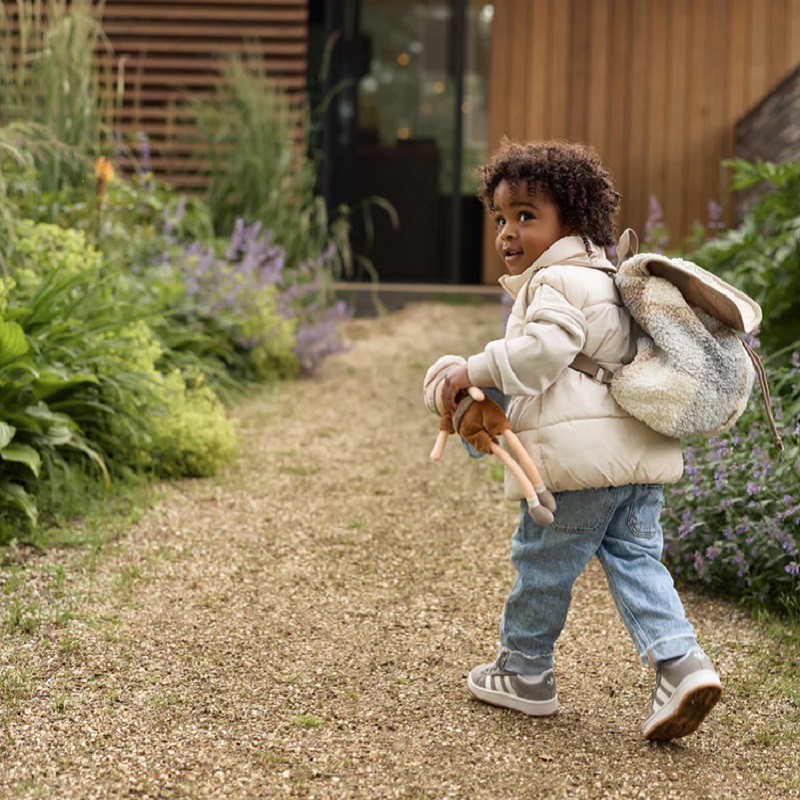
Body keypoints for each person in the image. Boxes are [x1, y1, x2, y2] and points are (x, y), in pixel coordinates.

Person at [435, 139, 722, 741]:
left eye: (526, 216)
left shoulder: (554, 283)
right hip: (638, 459)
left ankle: (525, 672)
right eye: (500, 219)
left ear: (573, 219)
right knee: (637, 560)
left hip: (580, 469)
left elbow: (546, 354)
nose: (508, 233)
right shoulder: (613, 278)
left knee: (541, 563)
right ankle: (681, 663)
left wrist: (474, 370)